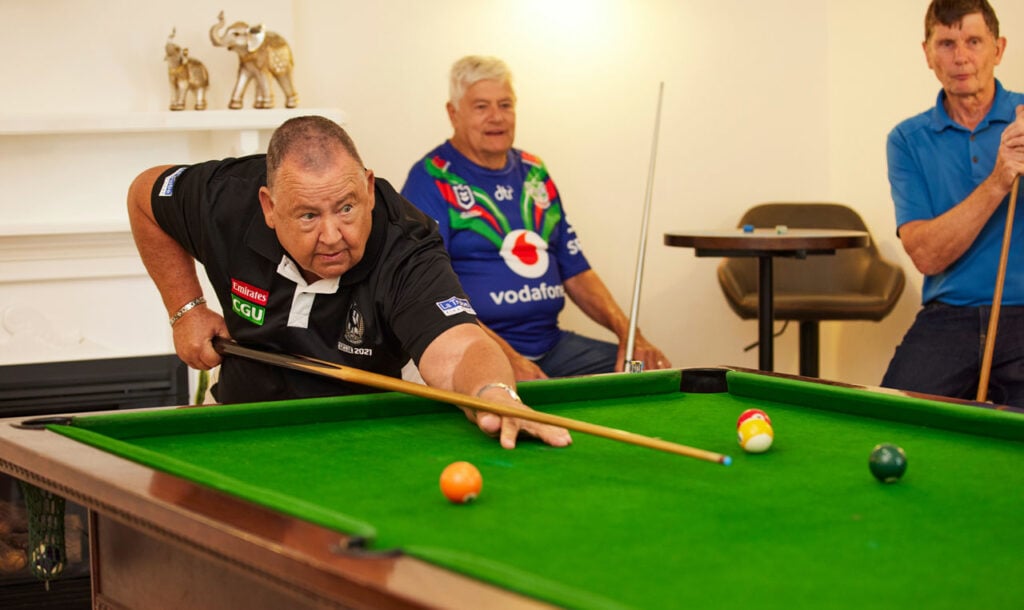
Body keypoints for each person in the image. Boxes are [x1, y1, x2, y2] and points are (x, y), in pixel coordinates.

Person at [126, 115, 570, 448]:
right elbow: (143, 194)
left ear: (369, 187)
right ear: (269, 206)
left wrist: (494, 392)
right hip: (240, 418)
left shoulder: (405, 245)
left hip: (360, 436)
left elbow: (460, 349)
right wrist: (185, 309)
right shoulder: (225, 197)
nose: (333, 235)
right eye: (307, 216)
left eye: (346, 208)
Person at [401, 55, 671, 381]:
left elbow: (575, 268)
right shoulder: (430, 179)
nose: (497, 117)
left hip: (553, 346)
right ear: (453, 113)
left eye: (505, 104)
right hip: (477, 352)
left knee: (647, 375)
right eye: (481, 107)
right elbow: (430, 294)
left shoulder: (534, 172)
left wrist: (630, 335)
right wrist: (507, 358)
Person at [882, 0, 1024, 406]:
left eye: (974, 41)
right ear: (926, 53)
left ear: (998, 49)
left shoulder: (1023, 118)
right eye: (946, 43)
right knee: (891, 419)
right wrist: (998, 180)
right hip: (948, 317)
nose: (961, 57)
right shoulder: (907, 139)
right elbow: (926, 255)